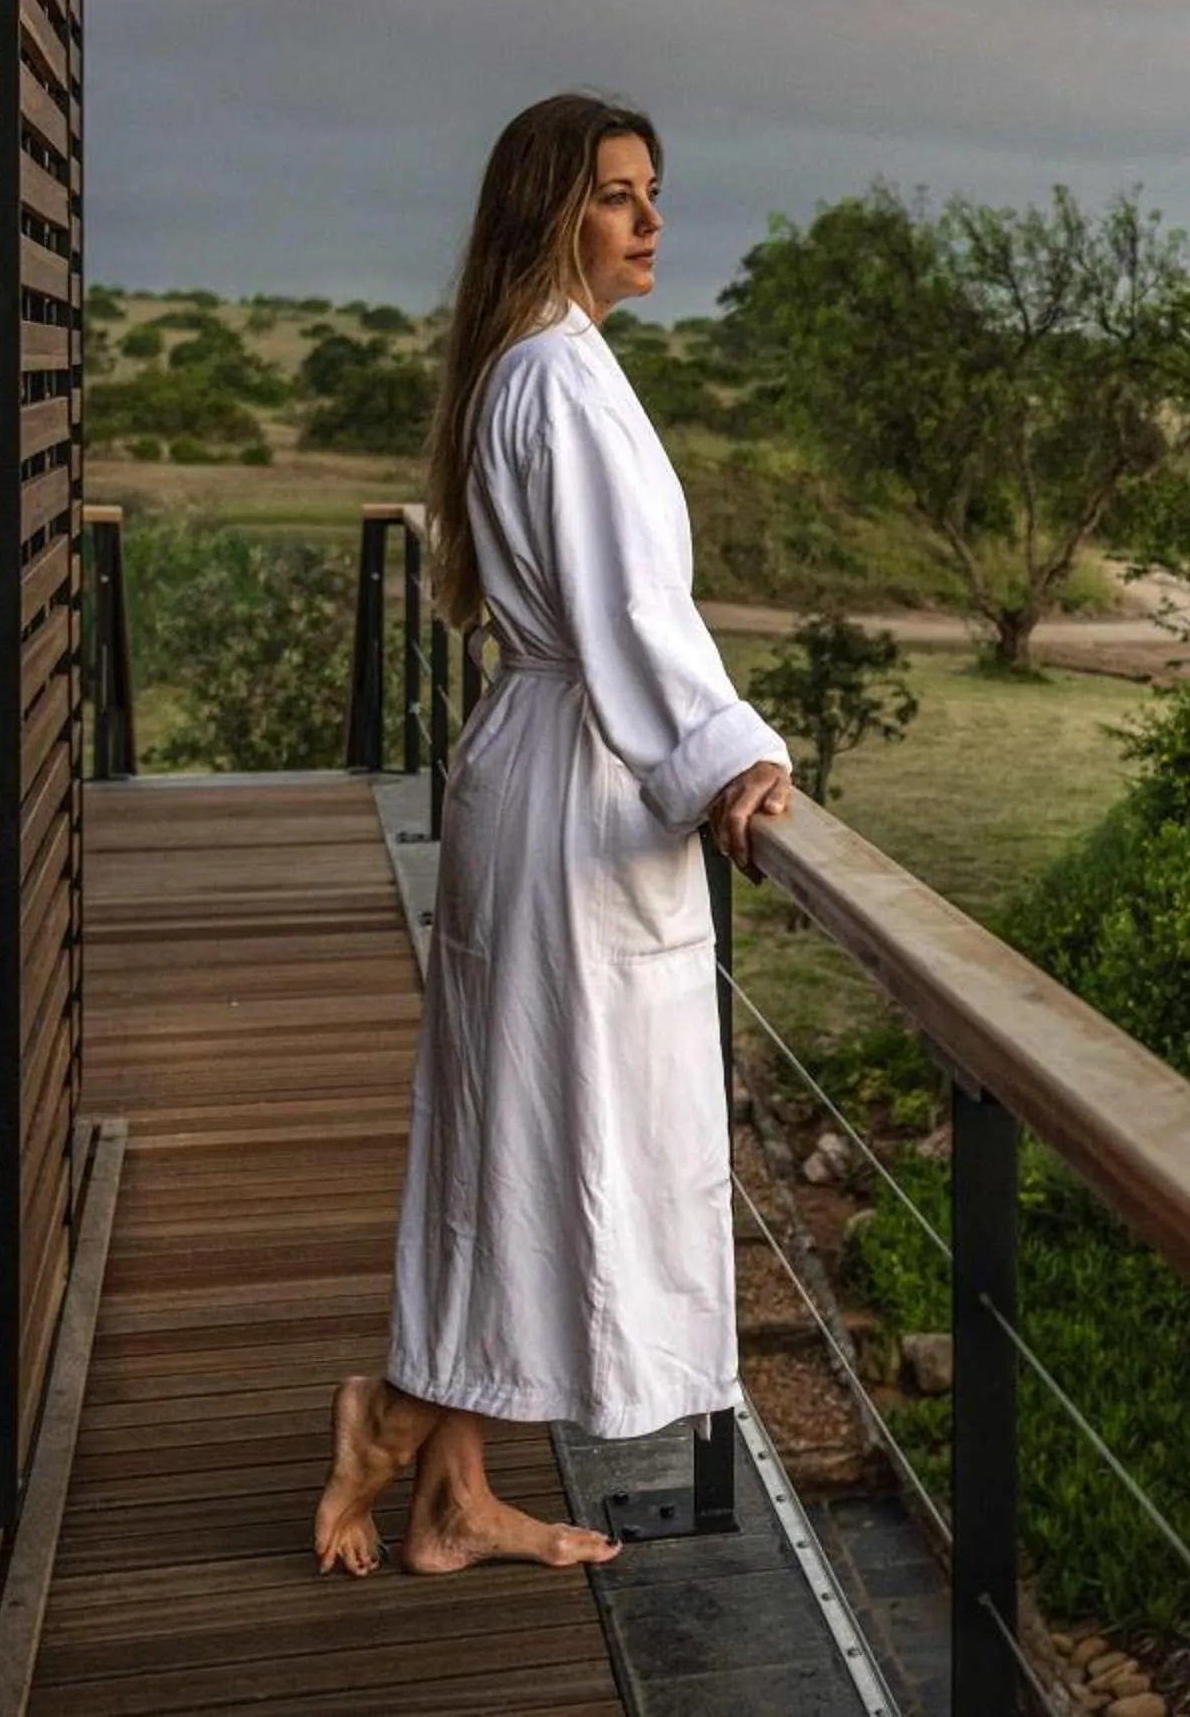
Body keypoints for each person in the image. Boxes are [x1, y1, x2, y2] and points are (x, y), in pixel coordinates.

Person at [312, 93, 794, 1575]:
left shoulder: (532, 370)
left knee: (510, 1126)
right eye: (617, 195)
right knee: (542, 1125)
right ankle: (394, 1418)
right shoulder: (563, 386)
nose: (651, 221)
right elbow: (632, 615)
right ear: (550, 213)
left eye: (654, 192)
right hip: (581, 788)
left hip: (545, 771)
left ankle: (456, 1487)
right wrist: (731, 757)